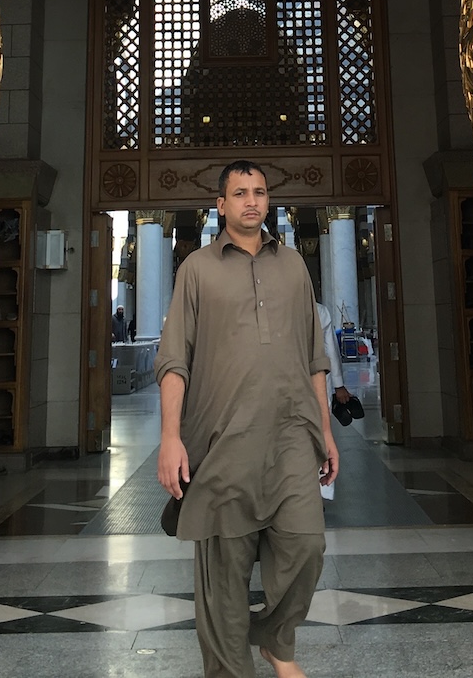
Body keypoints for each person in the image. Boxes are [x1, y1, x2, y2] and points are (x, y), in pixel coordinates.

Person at [156, 161, 340, 678]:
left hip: (291, 436)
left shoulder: (294, 267)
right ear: (221, 205)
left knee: (307, 545)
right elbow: (174, 360)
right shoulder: (197, 269)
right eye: (239, 193)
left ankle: (275, 640)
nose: (251, 201)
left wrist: (326, 432)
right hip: (222, 442)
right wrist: (170, 438)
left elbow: (315, 357)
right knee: (224, 577)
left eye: (259, 191)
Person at [315, 301, 365, 427]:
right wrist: (338, 385)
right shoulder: (319, 311)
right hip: (317, 378)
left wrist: (339, 385)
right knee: (320, 423)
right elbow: (330, 350)